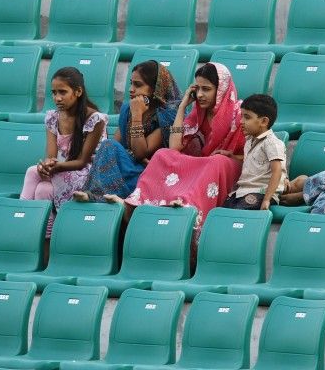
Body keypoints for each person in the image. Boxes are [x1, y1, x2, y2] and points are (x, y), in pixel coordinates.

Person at [105, 62, 246, 254]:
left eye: (207, 89)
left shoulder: (239, 113)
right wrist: (182, 107)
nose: (201, 95)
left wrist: (232, 155)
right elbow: (174, 146)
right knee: (164, 154)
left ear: (221, 89)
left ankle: (188, 205)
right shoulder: (199, 113)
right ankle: (140, 202)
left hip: (231, 165)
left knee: (217, 161)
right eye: (199, 89)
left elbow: (254, 152)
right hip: (206, 164)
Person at [73, 60, 182, 202]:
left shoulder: (166, 116)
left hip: (146, 174)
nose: (131, 89)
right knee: (108, 145)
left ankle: (96, 196)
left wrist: (137, 116)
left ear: (155, 88)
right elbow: (116, 144)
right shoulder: (127, 109)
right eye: (131, 83)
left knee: (109, 146)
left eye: (138, 85)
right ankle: (95, 195)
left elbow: (140, 153)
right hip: (127, 167)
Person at [20, 67, 107, 234]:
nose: (57, 98)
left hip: (86, 175)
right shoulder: (53, 117)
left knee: (33, 172)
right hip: (64, 169)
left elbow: (82, 162)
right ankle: (43, 234)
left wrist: (55, 167)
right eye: (53, 93)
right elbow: (52, 156)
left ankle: (25, 224)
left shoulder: (95, 119)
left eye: (62, 92)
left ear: (78, 91)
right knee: (41, 187)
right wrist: (47, 165)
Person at [223, 94, 287, 210]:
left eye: (247, 117)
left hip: (261, 192)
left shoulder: (271, 143)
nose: (241, 121)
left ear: (263, 121)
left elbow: (277, 171)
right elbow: (255, 161)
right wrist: (232, 156)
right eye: (241, 116)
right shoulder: (249, 140)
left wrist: (267, 199)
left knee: (239, 212)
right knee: (222, 210)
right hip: (242, 192)